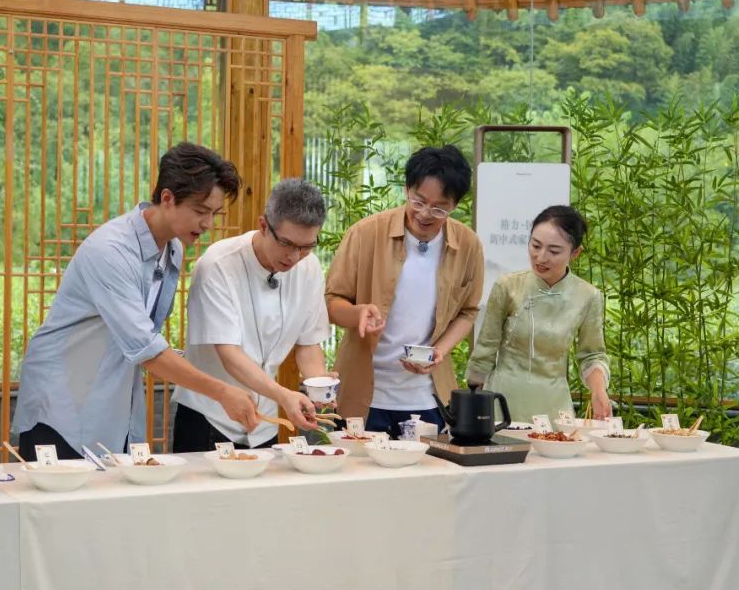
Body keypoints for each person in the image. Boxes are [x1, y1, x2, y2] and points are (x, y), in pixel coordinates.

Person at [12, 142, 261, 459]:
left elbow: (146, 334)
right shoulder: (111, 250)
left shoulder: (174, 248)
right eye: (200, 211)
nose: (208, 224)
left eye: (214, 213)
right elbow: (146, 347)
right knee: (59, 504)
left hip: (112, 396)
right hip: (61, 398)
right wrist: (222, 392)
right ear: (167, 198)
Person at [325, 145, 483, 436]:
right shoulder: (365, 233)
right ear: (407, 188)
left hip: (428, 396)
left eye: (439, 208)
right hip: (363, 395)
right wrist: (358, 313)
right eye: (418, 201)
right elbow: (332, 302)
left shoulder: (468, 244)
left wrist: (440, 350)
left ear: (456, 205)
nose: (425, 214)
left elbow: (468, 311)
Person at [172, 178, 334, 452]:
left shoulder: (310, 268)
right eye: (287, 243)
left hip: (265, 422)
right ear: (263, 225)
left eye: (306, 246)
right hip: (211, 418)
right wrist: (284, 395)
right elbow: (230, 356)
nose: (295, 257)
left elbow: (308, 344)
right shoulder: (218, 265)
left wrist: (319, 390)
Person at [465, 205, 611, 422]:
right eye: (535, 245)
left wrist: (599, 391)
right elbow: (486, 348)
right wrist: (470, 398)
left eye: (554, 251)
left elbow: (592, 355)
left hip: (554, 403)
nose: (541, 257)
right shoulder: (508, 286)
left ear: (575, 253)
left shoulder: (588, 296)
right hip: (503, 400)